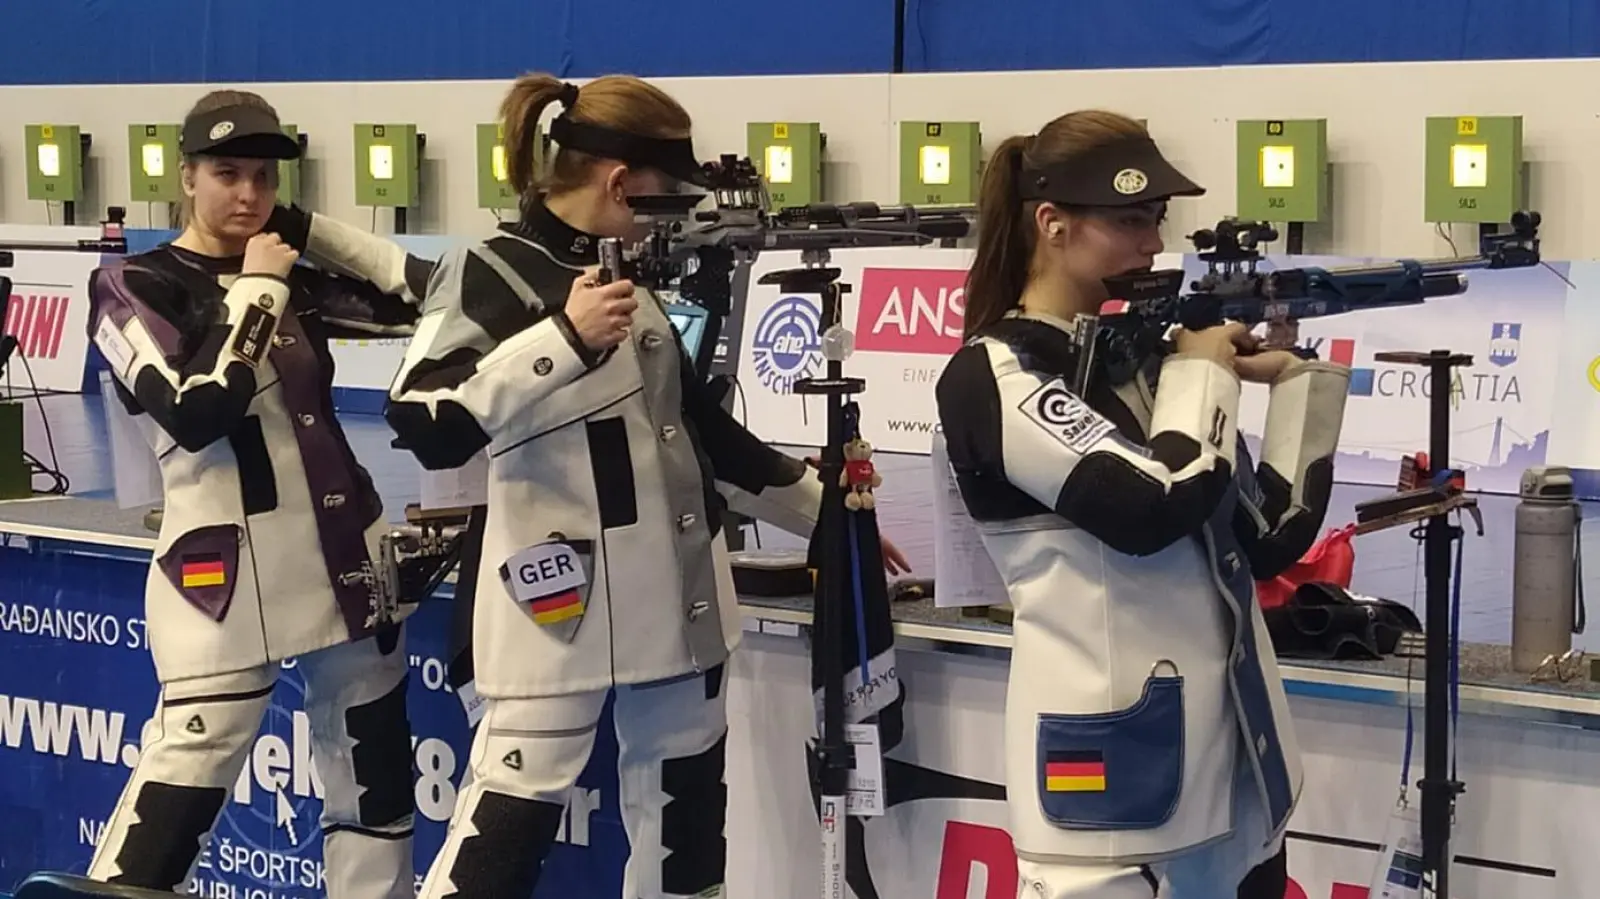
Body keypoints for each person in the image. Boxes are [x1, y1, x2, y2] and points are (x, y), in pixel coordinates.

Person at [385, 72, 909, 899]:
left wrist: (829, 519)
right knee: (500, 844)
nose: (683, 215)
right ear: (620, 183)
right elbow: (422, 417)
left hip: (677, 604)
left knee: (686, 845)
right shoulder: (488, 270)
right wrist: (560, 338)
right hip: (552, 607)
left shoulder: (630, 280)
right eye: (670, 195)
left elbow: (708, 436)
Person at [934, 110, 1351, 899]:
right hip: (1111, 804)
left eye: (1155, 221)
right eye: (1129, 220)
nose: (1152, 244)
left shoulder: (1144, 363)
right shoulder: (994, 373)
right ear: (1052, 225)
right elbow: (1146, 510)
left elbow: (1269, 537)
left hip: (1236, 780)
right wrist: (1202, 377)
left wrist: (1299, 384)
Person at [83, 89, 435, 898]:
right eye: (226, 173)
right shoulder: (131, 284)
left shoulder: (289, 266)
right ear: (186, 177)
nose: (246, 194)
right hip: (224, 581)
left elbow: (431, 295)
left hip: (349, 562)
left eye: (266, 179)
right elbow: (198, 409)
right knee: (181, 794)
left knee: (375, 792)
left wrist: (306, 231)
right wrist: (262, 288)